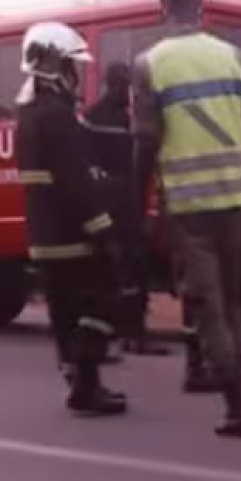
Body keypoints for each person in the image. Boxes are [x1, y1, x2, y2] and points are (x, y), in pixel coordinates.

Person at [133, 0, 241, 439]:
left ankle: (237, 406)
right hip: (236, 197)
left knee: (208, 307)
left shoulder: (150, 64)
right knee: (231, 300)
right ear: (201, 6)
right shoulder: (235, 57)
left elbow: (145, 143)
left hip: (189, 206)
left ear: (164, 8)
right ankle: (237, 390)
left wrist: (137, 205)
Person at [15, 22, 128, 417]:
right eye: (70, 65)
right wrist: (105, 230)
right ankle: (85, 380)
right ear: (53, 65)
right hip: (71, 232)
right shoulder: (56, 115)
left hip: (43, 234)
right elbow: (75, 181)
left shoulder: (26, 113)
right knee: (102, 299)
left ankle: (81, 384)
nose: (74, 74)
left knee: (63, 309)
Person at [81, 61, 169, 358]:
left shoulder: (118, 116)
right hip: (113, 205)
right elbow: (88, 165)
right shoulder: (98, 117)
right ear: (112, 84)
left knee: (130, 270)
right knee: (121, 271)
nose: (126, 91)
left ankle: (131, 335)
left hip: (124, 203)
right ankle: (127, 336)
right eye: (122, 85)